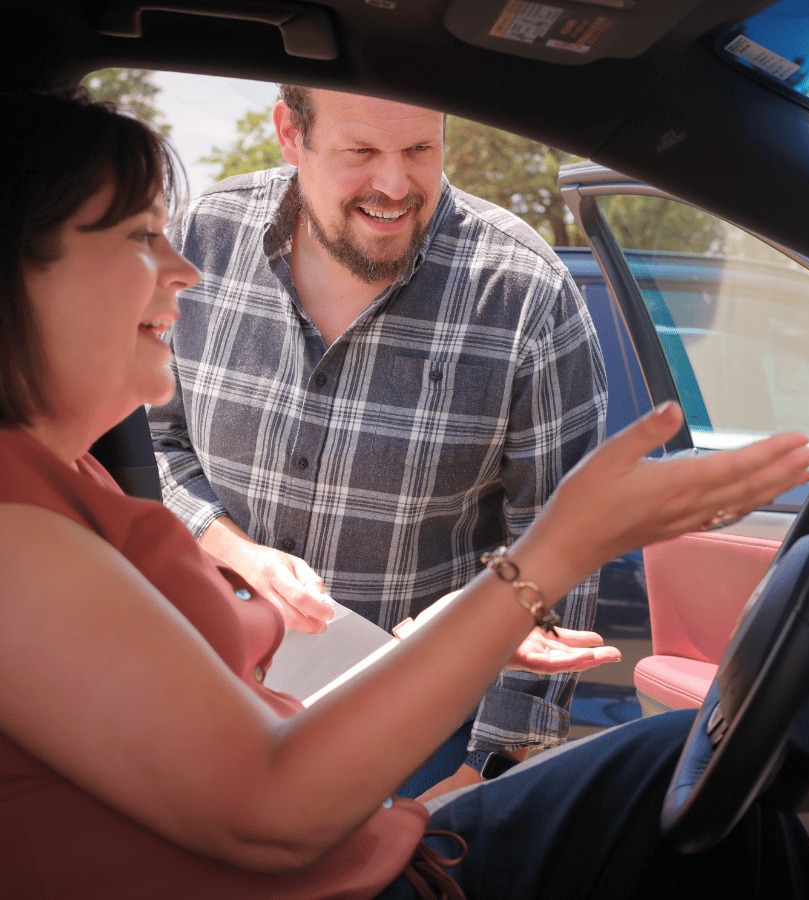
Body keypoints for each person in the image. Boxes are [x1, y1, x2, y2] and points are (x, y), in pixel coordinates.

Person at [0, 88, 809, 900]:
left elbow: (205, 743)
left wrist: (479, 713)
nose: (183, 270)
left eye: (419, 150)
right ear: (291, 135)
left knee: (691, 781)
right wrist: (559, 551)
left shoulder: (69, 475)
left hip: (375, 772)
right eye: (142, 239)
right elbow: (268, 811)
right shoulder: (20, 529)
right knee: (680, 778)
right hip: (335, 846)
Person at [148, 84, 609, 795]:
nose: (394, 186)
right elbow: (150, 444)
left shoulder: (526, 293)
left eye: (421, 149)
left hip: (417, 745)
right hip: (199, 697)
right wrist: (236, 550)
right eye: (361, 151)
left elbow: (558, 542)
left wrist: (480, 773)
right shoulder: (204, 237)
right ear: (290, 134)